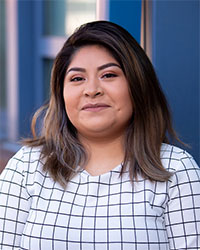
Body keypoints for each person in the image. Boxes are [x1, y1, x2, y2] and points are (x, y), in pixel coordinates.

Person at [0, 20, 199, 250]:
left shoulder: (176, 171)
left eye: (109, 75)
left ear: (137, 85)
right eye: (77, 79)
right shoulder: (27, 166)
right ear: (61, 95)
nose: (92, 89)